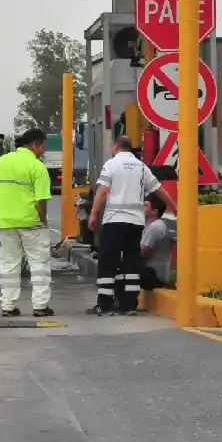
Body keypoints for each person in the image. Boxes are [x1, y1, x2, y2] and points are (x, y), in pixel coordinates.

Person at [87, 135, 177, 315]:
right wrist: (175, 206)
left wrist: (93, 213)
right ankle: (128, 305)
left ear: (115, 147)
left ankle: (105, 305)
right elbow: (158, 189)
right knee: (131, 263)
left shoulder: (111, 164)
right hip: (135, 223)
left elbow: (103, 190)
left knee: (108, 262)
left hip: (114, 221)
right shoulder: (141, 167)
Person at [0, 129, 54, 317]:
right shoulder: (37, 166)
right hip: (31, 222)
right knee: (39, 263)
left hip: (6, 222)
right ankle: (40, 306)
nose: (42, 151)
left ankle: (8, 306)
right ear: (33, 145)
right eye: (42, 146)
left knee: (8, 265)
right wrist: (43, 221)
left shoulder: (2, 161)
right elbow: (42, 199)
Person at [139, 199, 176, 291]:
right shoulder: (152, 226)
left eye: (146, 206)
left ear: (155, 211)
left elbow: (142, 252)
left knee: (121, 268)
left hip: (154, 276)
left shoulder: (155, 227)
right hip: (154, 274)